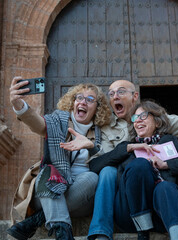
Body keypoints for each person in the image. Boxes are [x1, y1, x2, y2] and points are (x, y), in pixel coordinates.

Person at [79, 60, 178, 240]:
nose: (115, 96)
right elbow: (99, 163)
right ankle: (101, 230)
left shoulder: (164, 135)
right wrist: (129, 147)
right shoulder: (105, 128)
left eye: (121, 91)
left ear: (134, 96)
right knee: (110, 171)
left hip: (161, 193)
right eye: (111, 93)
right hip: (125, 192)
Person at [88, 100, 178, 240]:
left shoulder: (169, 142)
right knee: (140, 164)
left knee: (165, 186)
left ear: (157, 122)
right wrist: (130, 147)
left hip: (163, 213)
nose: (137, 121)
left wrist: (166, 164)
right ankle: (143, 228)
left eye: (143, 116)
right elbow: (94, 166)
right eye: (135, 118)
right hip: (129, 216)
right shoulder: (126, 147)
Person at [7, 79, 111, 240]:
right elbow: (37, 123)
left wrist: (91, 147)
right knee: (48, 174)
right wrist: (19, 106)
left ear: (97, 108)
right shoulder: (57, 121)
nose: (83, 102)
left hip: (81, 198)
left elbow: (108, 163)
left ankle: (38, 219)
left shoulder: (103, 132)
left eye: (90, 99)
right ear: (73, 102)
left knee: (91, 178)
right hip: (45, 191)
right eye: (79, 98)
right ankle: (63, 234)